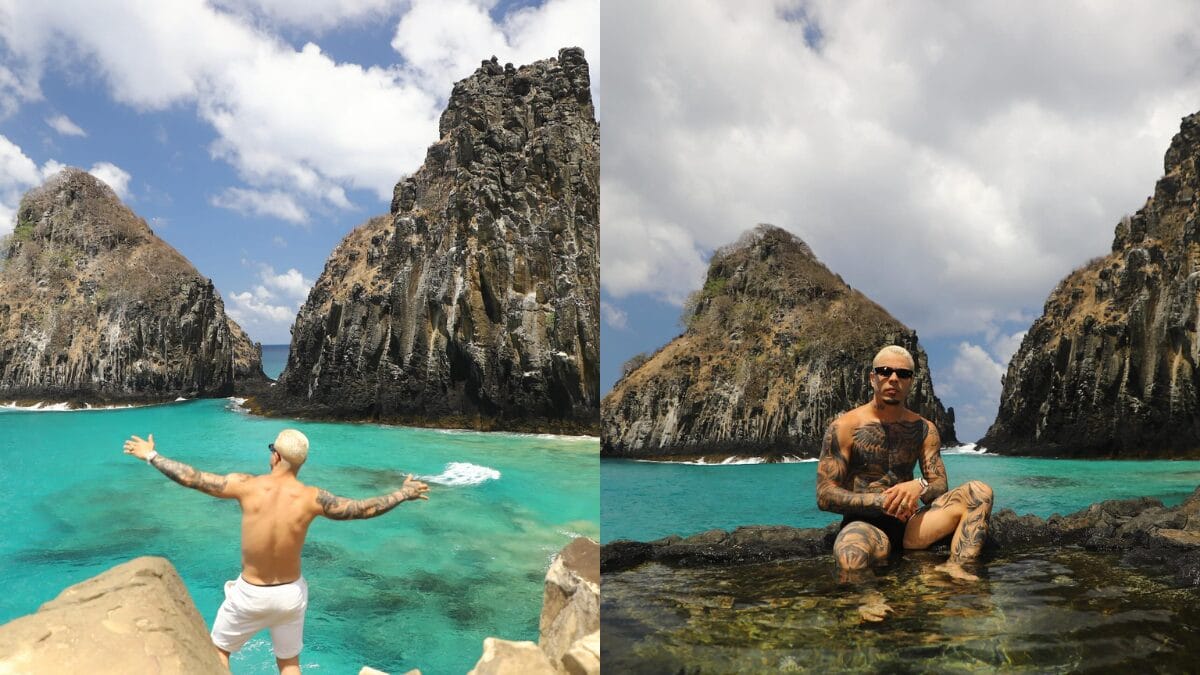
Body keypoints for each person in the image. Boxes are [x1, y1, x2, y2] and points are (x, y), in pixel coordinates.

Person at [123, 429, 430, 674]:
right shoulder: (313, 498)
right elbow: (363, 509)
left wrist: (150, 455)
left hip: (250, 595)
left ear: (277, 456)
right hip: (289, 597)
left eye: (272, 449)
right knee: (289, 664)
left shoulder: (247, 486)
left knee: (219, 651)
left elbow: (192, 478)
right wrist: (403, 493)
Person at [815, 345, 994, 583]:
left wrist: (918, 486)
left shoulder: (924, 429)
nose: (893, 379)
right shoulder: (845, 427)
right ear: (872, 378)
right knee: (850, 556)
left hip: (912, 525)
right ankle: (867, 599)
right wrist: (880, 501)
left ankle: (956, 568)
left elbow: (939, 485)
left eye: (903, 374)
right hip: (867, 524)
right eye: (885, 371)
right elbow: (824, 495)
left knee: (980, 492)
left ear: (911, 382)